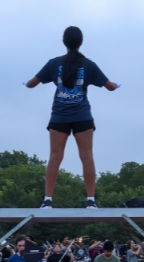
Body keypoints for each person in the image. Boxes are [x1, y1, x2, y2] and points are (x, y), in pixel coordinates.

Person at [25, 26, 119, 209]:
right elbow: (109, 86)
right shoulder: (88, 64)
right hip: (82, 115)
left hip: (59, 116)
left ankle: (47, 200)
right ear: (81, 42)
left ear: (63, 42)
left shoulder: (54, 63)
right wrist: (116, 85)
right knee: (87, 156)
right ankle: (91, 200)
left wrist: (24, 82)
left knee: (54, 156)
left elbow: (31, 84)